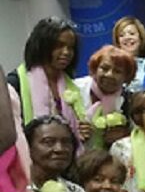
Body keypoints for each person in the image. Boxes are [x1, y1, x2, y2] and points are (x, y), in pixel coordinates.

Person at [8, 17, 92, 147]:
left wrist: (82, 131)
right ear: (42, 46)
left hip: (67, 155)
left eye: (70, 47)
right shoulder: (15, 83)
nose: (66, 52)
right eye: (59, 46)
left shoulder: (72, 86)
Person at [75, 45, 135, 150]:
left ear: (126, 77)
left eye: (117, 71)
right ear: (94, 69)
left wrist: (125, 136)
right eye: (104, 68)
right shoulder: (76, 88)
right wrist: (73, 131)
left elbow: (138, 135)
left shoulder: (130, 100)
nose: (109, 75)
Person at [112, 16, 145, 92]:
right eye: (121, 35)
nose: (127, 38)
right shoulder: (112, 66)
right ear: (118, 42)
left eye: (132, 34)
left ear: (141, 37)